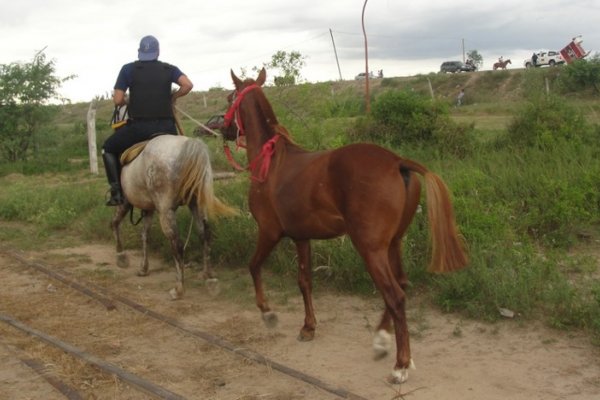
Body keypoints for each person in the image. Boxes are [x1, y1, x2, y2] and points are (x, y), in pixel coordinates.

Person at [102, 35, 193, 206]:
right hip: (167, 127)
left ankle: (117, 193)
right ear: (158, 52)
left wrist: (127, 101)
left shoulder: (128, 69)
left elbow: (117, 99)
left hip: (139, 128)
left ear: (139, 52)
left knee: (108, 148)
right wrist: (173, 96)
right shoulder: (169, 69)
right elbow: (187, 84)